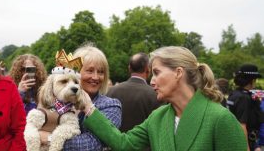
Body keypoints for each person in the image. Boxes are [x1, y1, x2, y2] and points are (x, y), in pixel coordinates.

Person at [80, 46, 247, 150]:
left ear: (178, 73)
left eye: (157, 73)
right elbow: (123, 144)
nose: (151, 81)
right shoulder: (157, 117)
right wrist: (88, 107)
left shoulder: (220, 118)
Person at [61, 44, 122, 150]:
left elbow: (90, 145)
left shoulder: (110, 105)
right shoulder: (59, 102)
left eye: (101, 72)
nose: (95, 77)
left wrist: (49, 139)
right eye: (90, 70)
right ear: (75, 72)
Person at [106, 52, 161, 132]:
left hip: (113, 142)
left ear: (129, 68)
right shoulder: (155, 94)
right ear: (147, 69)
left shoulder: (111, 91)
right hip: (144, 144)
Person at [227, 64, 263, 151]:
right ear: (252, 80)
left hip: (233, 138)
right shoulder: (244, 98)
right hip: (243, 141)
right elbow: (242, 124)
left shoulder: (234, 94)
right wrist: (246, 148)